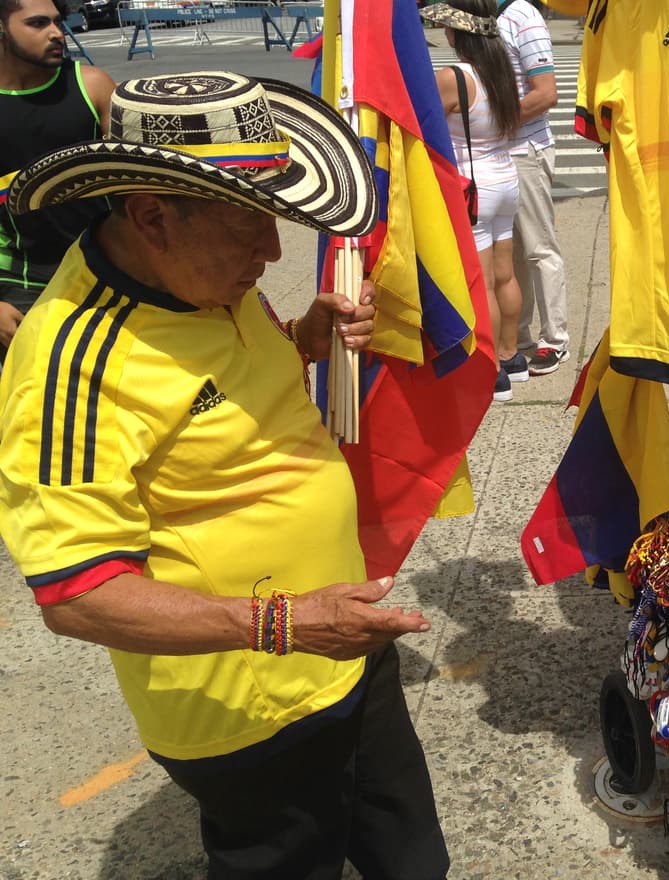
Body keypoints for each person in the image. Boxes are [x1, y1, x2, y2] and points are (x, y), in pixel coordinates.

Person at [0, 71, 450, 879]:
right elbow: (79, 595)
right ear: (151, 217)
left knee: (413, 860)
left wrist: (304, 337)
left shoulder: (203, 278)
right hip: (253, 707)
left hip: (342, 644)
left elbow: (214, 398)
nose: (272, 250)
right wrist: (286, 626)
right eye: (249, 222)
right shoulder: (71, 366)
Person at [441, 0, 570, 377]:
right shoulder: (481, 18)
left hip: (523, 148)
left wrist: (492, 124)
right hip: (497, 154)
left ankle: (554, 339)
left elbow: (546, 92)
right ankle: (517, 340)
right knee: (506, 262)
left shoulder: (522, 17)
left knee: (537, 249)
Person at [0, 0, 114, 363]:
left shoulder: (92, 85)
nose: (56, 33)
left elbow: (138, 181)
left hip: (106, 268)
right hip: (23, 279)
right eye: (37, 23)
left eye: (57, 22)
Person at [426, 0, 525, 402]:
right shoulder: (500, 71)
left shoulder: (454, 78)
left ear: (457, 30)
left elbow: (422, 119)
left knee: (481, 281)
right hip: (505, 179)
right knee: (505, 273)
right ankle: (512, 355)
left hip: (474, 188)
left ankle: (493, 370)